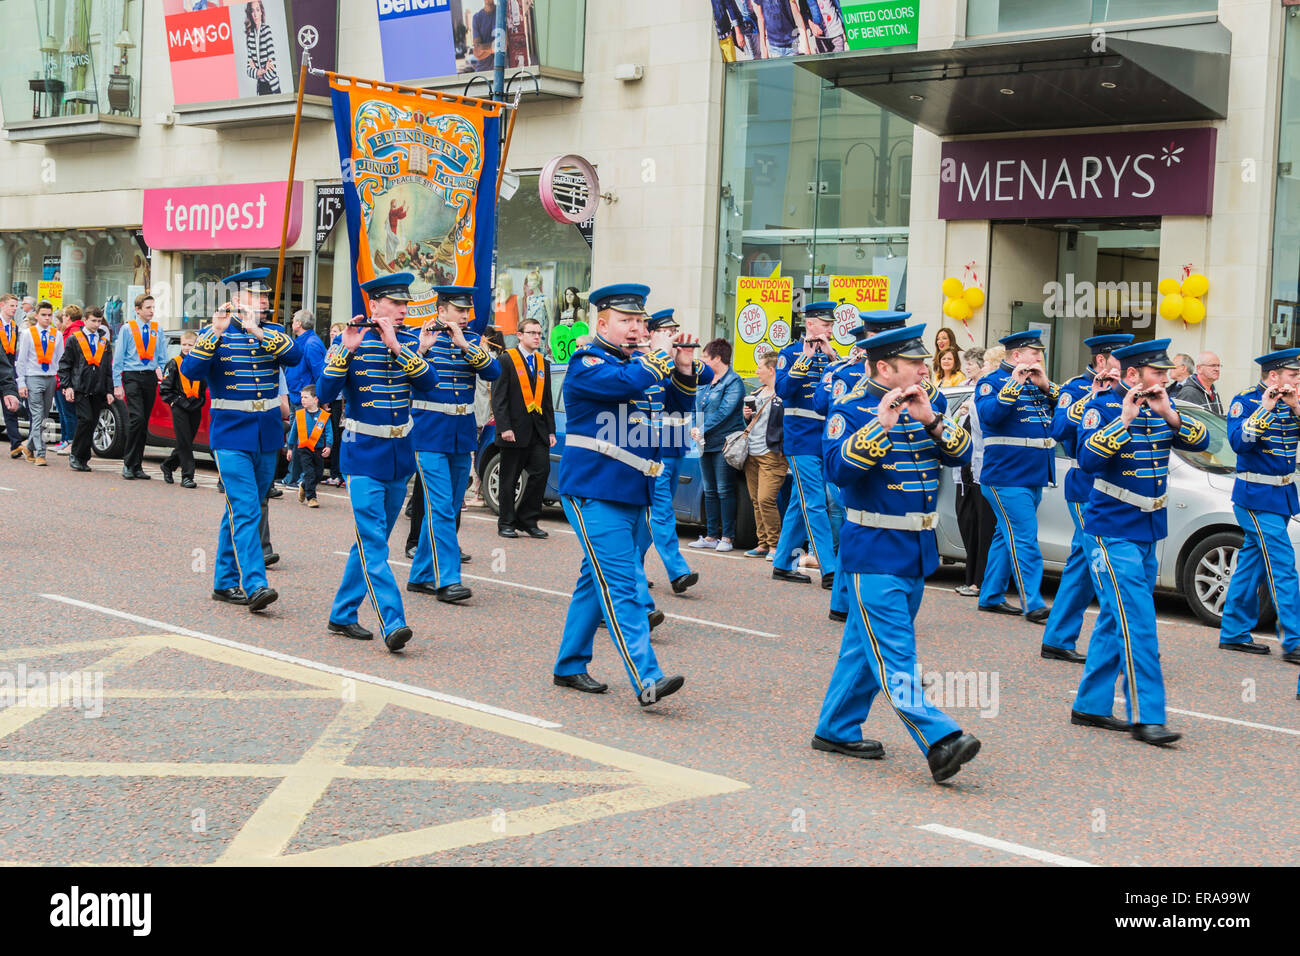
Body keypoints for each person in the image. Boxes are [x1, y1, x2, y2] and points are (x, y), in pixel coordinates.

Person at [812, 323, 982, 783]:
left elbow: (961, 455)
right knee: (895, 654)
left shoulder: (932, 404)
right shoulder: (849, 410)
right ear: (884, 368)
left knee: (862, 647)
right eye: (914, 363)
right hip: (874, 551)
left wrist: (931, 419)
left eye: (924, 361)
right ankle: (940, 739)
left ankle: (836, 728)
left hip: (916, 550)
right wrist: (878, 426)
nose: (925, 368)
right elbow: (836, 472)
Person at [551, 282, 698, 708]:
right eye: (626, 321)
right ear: (602, 323)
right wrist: (660, 355)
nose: (635, 329)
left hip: (633, 490)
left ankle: (569, 663)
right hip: (594, 490)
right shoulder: (588, 362)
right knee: (623, 586)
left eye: (640, 321)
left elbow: (677, 411)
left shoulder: (641, 365)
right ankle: (646, 677)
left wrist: (684, 367)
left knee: (591, 580)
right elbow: (628, 381)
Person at [1073, 338, 1208, 745]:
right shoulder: (1103, 408)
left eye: (1166, 372)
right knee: (1138, 622)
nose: (1165, 378)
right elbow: (1087, 460)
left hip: (1148, 530)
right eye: (1157, 372)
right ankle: (1147, 715)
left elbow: (1202, 442)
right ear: (1131, 375)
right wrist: (1124, 421)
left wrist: (1169, 412)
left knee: (1117, 619)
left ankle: (1090, 705)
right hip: (1112, 530)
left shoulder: (1165, 407)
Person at [317, 273, 439, 651]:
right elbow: (324, 393)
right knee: (373, 542)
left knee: (372, 541)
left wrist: (400, 349)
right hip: (362, 453)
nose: (403, 310)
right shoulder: (350, 340)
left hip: (399, 456)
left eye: (405, 305)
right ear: (374, 306)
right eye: (395, 304)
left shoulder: (406, 341)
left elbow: (430, 384)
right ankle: (393, 620)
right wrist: (344, 351)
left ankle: (342, 614)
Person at [183, 269, 302, 615]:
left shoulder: (273, 333)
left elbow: (293, 358)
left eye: (265, 297)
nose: (264, 301)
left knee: (241, 508)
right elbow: (190, 372)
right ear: (236, 301)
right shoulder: (214, 334)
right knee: (247, 508)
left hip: (266, 433)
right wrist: (214, 334)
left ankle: (223, 581)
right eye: (257, 297)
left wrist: (257, 331)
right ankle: (255, 584)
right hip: (231, 434)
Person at [1039, 334, 1133, 662]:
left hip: (1116, 488)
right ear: (1102, 361)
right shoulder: (1076, 387)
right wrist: (1092, 396)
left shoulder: (1130, 391)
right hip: (1087, 486)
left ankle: (1058, 637)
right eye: (1120, 361)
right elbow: (1059, 428)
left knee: (1082, 564)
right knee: (1105, 567)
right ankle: (1124, 644)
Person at [407, 285, 499, 605]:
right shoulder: (417, 336)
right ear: (442, 309)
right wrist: (420, 350)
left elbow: (494, 371)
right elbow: (403, 378)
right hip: (429, 434)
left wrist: (464, 345)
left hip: (460, 435)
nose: (465, 315)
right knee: (441, 507)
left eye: (467, 310)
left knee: (448, 507)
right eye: (459, 309)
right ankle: (448, 579)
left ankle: (420, 575)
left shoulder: (471, 340)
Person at [1217, 350, 1300, 665]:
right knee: (1283, 566)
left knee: (1250, 564)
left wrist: (1294, 405)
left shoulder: (1294, 401)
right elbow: (1239, 442)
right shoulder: (1247, 401)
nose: (1298, 381)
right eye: (1294, 376)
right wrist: (1266, 410)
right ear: (1274, 376)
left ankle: (1234, 631)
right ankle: (1294, 640)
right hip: (1255, 495)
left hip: (1281, 494)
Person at [973, 329, 1058, 624]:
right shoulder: (992, 381)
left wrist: (1046, 386)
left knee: (1003, 535)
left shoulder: (1038, 385)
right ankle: (1032, 602)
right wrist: (1014, 383)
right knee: (1024, 538)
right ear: (1017, 355)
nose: (1040, 358)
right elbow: (990, 416)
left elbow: (1063, 418)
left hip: (1032, 475)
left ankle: (991, 595)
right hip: (1006, 476)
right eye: (1035, 353)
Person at [770, 301, 847, 618]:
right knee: (815, 501)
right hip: (801, 440)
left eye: (831, 325)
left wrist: (831, 356)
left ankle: (782, 562)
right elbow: (782, 389)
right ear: (810, 324)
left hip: (826, 439)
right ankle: (830, 568)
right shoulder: (789, 354)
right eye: (824, 324)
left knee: (801, 504)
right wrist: (805, 359)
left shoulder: (834, 356)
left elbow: (848, 385)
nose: (829, 329)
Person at [637, 309, 711, 591]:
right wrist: (663, 357)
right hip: (653, 447)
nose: (673, 335)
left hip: (677, 445)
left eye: (675, 330)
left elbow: (704, 374)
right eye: (667, 331)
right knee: (662, 512)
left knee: (649, 518)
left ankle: (633, 568)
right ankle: (677, 571)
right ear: (653, 333)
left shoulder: (676, 357)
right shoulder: (646, 361)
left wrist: (683, 361)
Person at [493, 315, 555, 539]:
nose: (537, 337)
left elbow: (546, 400)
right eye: (532, 333)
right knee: (509, 478)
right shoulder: (506, 360)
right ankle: (506, 522)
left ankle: (528, 519)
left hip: (538, 431)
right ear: (519, 335)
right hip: (513, 430)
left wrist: (551, 430)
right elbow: (498, 397)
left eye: (539, 333)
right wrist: (504, 427)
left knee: (541, 472)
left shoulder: (543, 363)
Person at [690, 337, 745, 553]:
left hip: (725, 443)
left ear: (717, 358)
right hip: (705, 442)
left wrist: (702, 428)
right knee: (710, 490)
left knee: (724, 490)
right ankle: (711, 535)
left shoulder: (733, 382)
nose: (702, 360)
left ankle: (727, 537)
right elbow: (696, 407)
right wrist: (695, 427)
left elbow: (724, 412)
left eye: (705, 356)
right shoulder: (704, 380)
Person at [951, 347, 994, 597]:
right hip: (964, 474)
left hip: (981, 473)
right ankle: (971, 579)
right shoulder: (970, 393)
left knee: (982, 530)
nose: (968, 368)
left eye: (976, 364)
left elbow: (983, 430)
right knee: (967, 526)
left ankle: (979, 581)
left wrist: (973, 408)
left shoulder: (983, 397)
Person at [113, 292, 169, 481]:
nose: (152, 311)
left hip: (149, 378)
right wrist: (116, 384)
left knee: (144, 422)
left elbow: (161, 354)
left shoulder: (157, 329)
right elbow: (118, 359)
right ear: (137, 310)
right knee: (136, 418)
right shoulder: (127, 329)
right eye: (148, 308)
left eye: (153, 307)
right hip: (132, 377)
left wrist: (163, 369)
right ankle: (128, 463)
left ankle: (137, 465)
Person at [58, 306, 114, 473]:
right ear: (85, 320)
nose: (96, 324)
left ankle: (83, 458)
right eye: (93, 321)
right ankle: (75, 454)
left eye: (99, 321)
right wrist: (67, 386)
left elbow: (107, 369)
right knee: (86, 420)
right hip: (80, 387)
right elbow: (65, 364)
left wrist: (109, 390)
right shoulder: (74, 339)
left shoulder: (104, 341)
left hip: (97, 388)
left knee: (93, 422)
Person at [741, 351, 786, 558]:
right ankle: (763, 543)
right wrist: (746, 416)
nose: (757, 371)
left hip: (772, 453)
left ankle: (776, 545)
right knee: (755, 500)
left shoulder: (783, 394)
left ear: (771, 369)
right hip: (752, 451)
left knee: (766, 498)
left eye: (760, 367)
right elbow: (752, 423)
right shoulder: (758, 392)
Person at [15, 299, 64, 466]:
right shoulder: (28, 333)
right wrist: (21, 383)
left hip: (50, 377)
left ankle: (27, 445)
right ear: (36, 316)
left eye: (50, 315)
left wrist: (59, 379)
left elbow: (59, 358)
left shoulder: (56, 334)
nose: (47, 318)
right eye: (43, 315)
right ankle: (40, 453)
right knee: (37, 416)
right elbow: (21, 361)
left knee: (43, 416)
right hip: (33, 377)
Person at [283, 309, 327, 489]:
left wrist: (321, 398)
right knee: (295, 438)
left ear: (299, 324)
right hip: (297, 396)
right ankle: (292, 477)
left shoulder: (311, 344)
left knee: (303, 439)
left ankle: (300, 477)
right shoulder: (304, 341)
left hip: (305, 399)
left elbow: (319, 373)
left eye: (294, 320)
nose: (292, 322)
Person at [158, 330, 206, 489]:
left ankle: (168, 465)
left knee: (186, 441)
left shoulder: (200, 364)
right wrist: (174, 402)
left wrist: (200, 401)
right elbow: (165, 389)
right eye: (184, 344)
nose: (186, 348)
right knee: (185, 442)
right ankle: (187, 476)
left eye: (190, 345)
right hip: (179, 407)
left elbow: (204, 386)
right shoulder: (174, 363)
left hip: (195, 407)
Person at [286, 385, 331, 508]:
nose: (302, 400)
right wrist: (290, 448)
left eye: (306, 397)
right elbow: (293, 432)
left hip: (318, 448)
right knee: (309, 472)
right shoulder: (299, 414)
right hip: (303, 448)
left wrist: (329, 446)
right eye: (302, 397)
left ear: (315, 399)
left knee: (318, 473)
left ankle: (304, 486)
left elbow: (329, 432)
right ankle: (311, 497)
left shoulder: (323, 415)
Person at [0, 294, 25, 458]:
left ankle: (15, 444)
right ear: (2, 305)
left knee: (10, 407)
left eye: (16, 306)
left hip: (7, 371)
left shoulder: (15, 327)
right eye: (11, 305)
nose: (15, 309)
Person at [244, 1, 280, 95]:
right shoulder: (250, 36)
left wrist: (258, 72)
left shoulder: (267, 30)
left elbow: (273, 69)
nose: (255, 14)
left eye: (257, 10)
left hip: (272, 87)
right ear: (250, 14)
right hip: (260, 88)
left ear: (261, 12)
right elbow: (248, 70)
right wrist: (263, 70)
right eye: (252, 11)